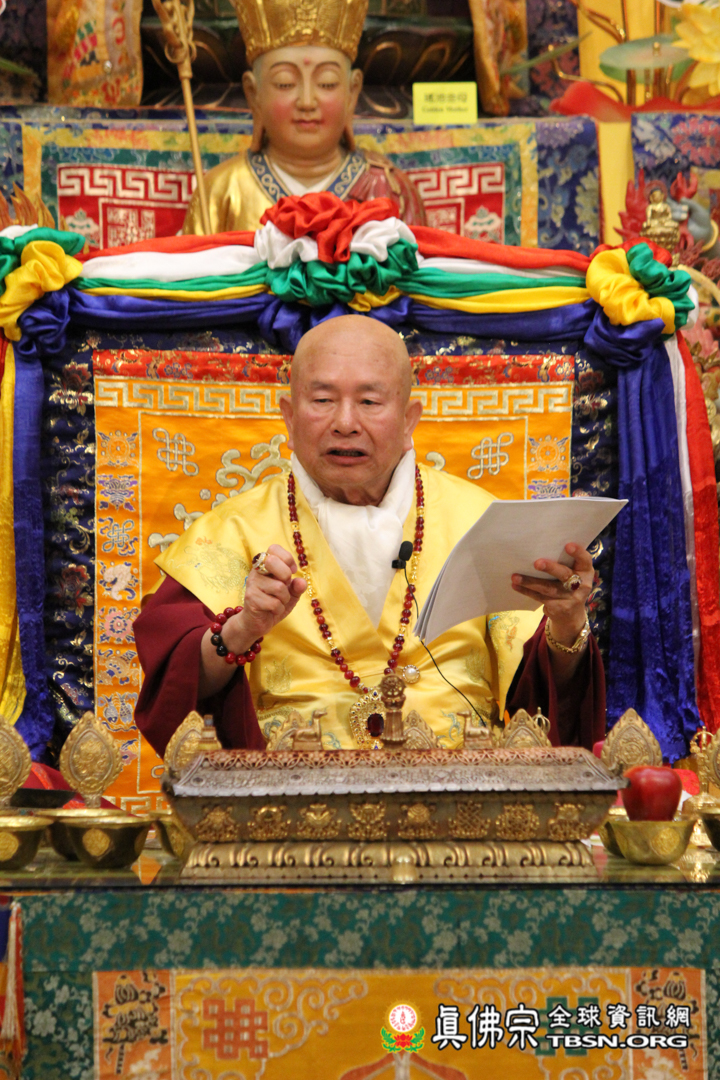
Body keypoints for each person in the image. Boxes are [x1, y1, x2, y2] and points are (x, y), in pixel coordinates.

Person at [134, 316, 605, 755]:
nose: (345, 422)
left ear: (409, 420)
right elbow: (173, 696)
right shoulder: (233, 531)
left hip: (458, 789)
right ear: (289, 417)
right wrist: (243, 630)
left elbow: (542, 699)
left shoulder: (480, 520)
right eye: (322, 400)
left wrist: (567, 623)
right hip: (292, 792)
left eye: (369, 402)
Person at [181, 0, 425, 234]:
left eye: (327, 83)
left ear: (352, 91)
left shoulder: (390, 191)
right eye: (285, 83)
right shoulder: (221, 191)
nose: (307, 102)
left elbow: (419, 261)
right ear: (253, 94)